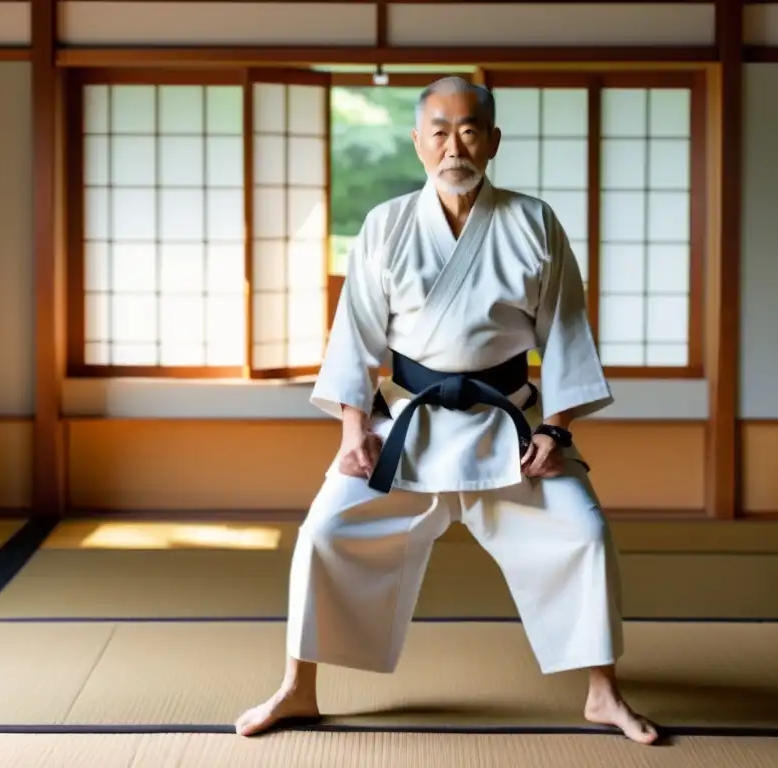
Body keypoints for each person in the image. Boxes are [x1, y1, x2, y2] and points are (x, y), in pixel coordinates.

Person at [235, 76, 657, 745]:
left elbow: (568, 335)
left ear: (491, 141)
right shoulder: (387, 225)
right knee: (323, 534)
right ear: (417, 141)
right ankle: (299, 688)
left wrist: (556, 429)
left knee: (585, 533)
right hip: (405, 425)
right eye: (438, 130)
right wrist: (353, 431)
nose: (452, 145)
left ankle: (602, 692)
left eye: (467, 130)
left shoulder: (533, 222)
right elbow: (355, 337)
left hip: (509, 426)